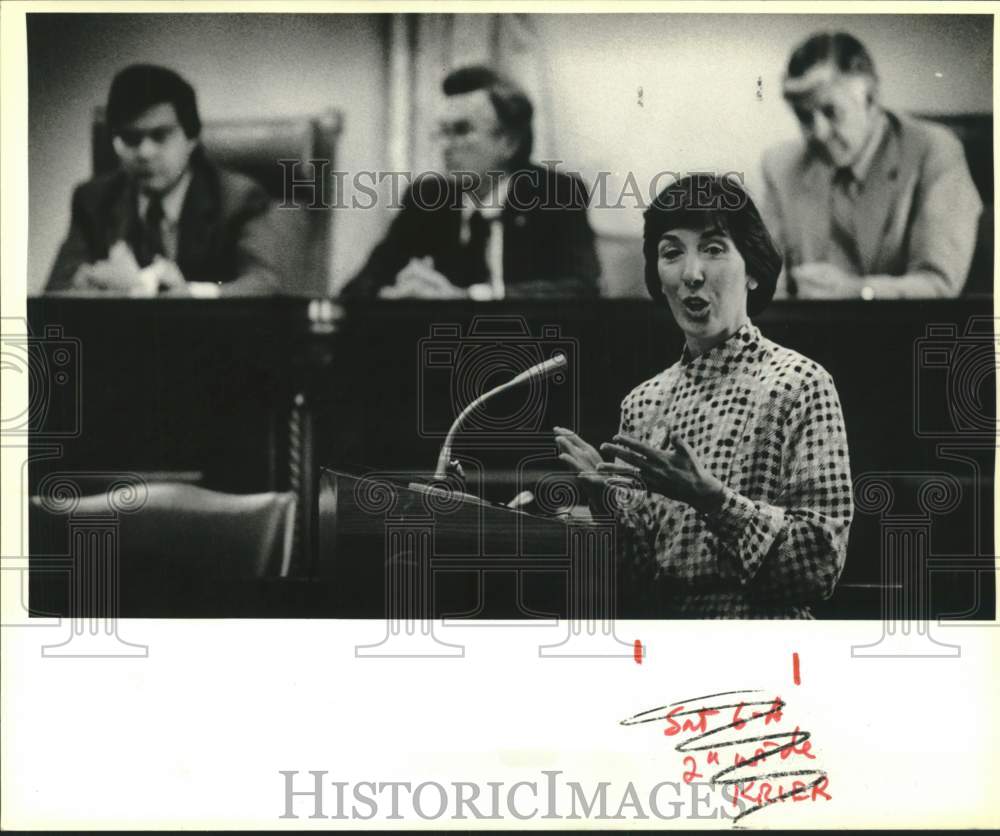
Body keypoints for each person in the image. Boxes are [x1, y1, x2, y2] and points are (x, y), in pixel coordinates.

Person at [554, 174, 853, 618]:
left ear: (752, 270)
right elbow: (636, 585)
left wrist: (713, 500)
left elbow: (819, 566)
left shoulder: (800, 384)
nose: (691, 274)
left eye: (713, 249)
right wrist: (607, 507)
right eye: (672, 253)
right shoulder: (643, 404)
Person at [340, 65, 600, 300]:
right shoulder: (428, 197)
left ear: (509, 142)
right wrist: (393, 295)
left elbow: (580, 289)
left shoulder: (556, 194)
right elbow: (358, 288)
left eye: (462, 131)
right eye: (443, 132)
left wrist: (467, 298)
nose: (446, 146)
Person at [762, 31, 982, 299]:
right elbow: (768, 283)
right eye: (804, 116)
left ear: (872, 100)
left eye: (832, 112)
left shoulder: (933, 152)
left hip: (905, 334)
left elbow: (939, 283)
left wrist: (857, 291)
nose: (818, 133)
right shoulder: (781, 166)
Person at [46, 64, 279, 296]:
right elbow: (55, 293)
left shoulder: (239, 198)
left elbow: (264, 284)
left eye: (160, 136)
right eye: (131, 138)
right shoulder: (93, 200)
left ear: (191, 137)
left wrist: (189, 293)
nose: (145, 153)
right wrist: (87, 285)